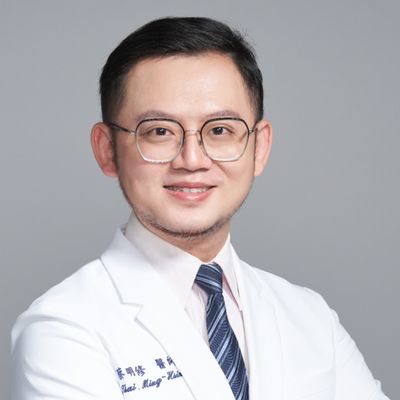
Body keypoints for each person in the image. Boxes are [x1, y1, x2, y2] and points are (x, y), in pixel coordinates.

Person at [11, 17, 389, 400]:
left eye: (220, 130)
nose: (192, 160)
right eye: (159, 131)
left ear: (259, 148)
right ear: (107, 150)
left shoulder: (310, 316)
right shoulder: (61, 328)